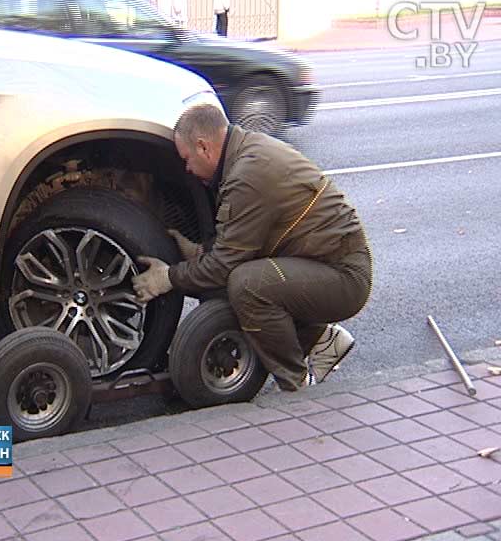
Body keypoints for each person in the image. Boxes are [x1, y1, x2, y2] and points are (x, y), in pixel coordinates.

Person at [132, 104, 373, 390]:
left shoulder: (248, 174)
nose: (186, 168)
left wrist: (168, 278)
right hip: (315, 262)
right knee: (227, 278)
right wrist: (195, 253)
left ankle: (297, 382)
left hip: (343, 277)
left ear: (203, 147)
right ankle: (320, 339)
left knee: (247, 285)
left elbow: (223, 266)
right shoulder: (243, 152)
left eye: (186, 158)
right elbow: (234, 246)